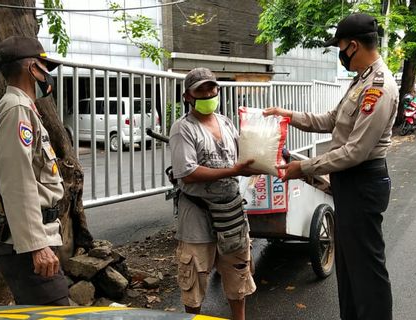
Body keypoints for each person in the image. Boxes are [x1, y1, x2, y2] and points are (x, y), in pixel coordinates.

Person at [264, 13, 397, 320]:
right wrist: (288, 114)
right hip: (350, 182)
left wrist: (304, 167)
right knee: (349, 267)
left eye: (339, 46)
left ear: (352, 46)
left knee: (367, 269)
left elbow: (356, 151)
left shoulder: (379, 86)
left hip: (363, 182)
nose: (338, 53)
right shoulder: (360, 80)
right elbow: (330, 120)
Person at [0, 36, 69, 305]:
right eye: (45, 69)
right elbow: (17, 181)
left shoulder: (23, 109)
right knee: (56, 311)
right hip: (26, 242)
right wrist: (37, 245)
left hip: (31, 236)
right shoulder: (16, 108)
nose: (47, 76)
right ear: (32, 68)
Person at [169, 68, 261, 320]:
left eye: (212, 88)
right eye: (201, 90)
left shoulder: (226, 122)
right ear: (188, 96)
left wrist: (268, 156)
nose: (209, 93)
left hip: (232, 213)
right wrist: (233, 170)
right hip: (197, 216)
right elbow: (186, 173)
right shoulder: (183, 129)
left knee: (238, 277)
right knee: (194, 282)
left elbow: (245, 153)